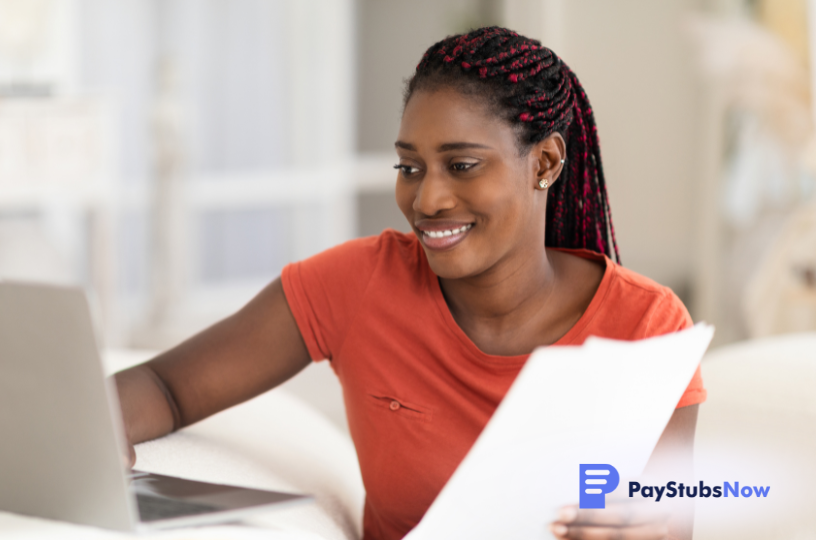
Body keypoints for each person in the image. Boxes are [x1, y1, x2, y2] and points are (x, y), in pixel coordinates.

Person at [114, 26, 706, 540]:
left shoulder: (647, 328)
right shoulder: (355, 284)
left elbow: (668, 518)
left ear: (546, 164)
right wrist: (97, 435)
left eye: (462, 165)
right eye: (409, 167)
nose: (427, 198)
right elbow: (168, 388)